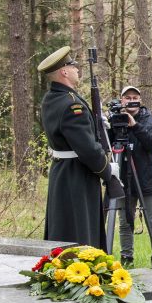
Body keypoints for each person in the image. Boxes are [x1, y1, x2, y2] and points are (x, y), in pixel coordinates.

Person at [38, 46, 123, 248]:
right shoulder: (71, 104)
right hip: (77, 176)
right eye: (72, 66)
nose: (77, 69)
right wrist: (107, 169)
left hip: (62, 173)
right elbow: (87, 148)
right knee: (80, 231)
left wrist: (94, 123)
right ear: (64, 72)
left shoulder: (51, 99)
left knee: (63, 227)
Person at [110, 85, 152, 270]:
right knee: (125, 222)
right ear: (122, 100)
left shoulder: (151, 121)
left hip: (146, 180)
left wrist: (135, 125)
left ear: (140, 101)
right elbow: (106, 144)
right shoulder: (116, 121)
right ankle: (126, 260)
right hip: (124, 182)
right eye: (127, 97)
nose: (131, 100)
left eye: (135, 97)